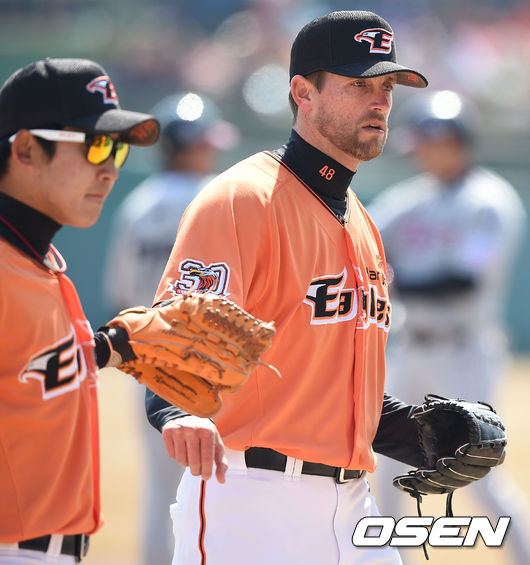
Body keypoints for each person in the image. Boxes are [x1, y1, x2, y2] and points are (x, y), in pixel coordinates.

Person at [145, 10, 438, 565]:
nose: (379, 101)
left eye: (387, 86)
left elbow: (331, 382)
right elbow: (175, 337)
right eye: (359, 85)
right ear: (303, 93)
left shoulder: (361, 219)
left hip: (354, 504)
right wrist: (178, 411)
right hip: (251, 500)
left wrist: (419, 433)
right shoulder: (242, 199)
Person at [0, 57, 161, 564]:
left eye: (117, 148)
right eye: (94, 144)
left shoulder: (38, 260)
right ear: (26, 148)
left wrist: (107, 348)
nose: (110, 167)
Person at [367, 89, 530, 565]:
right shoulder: (410, 199)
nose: (419, 152)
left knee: (475, 468)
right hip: (409, 349)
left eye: (427, 142)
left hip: (462, 352)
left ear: (452, 141)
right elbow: (361, 239)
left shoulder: (489, 201)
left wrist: (394, 279)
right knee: (388, 463)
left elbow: (465, 278)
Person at [103, 91, 238, 565]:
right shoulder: (217, 197)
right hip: (210, 362)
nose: (212, 150)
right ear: (189, 144)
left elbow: (120, 292)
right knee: (217, 486)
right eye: (205, 142)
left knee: (161, 490)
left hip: (149, 361)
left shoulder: (136, 205)